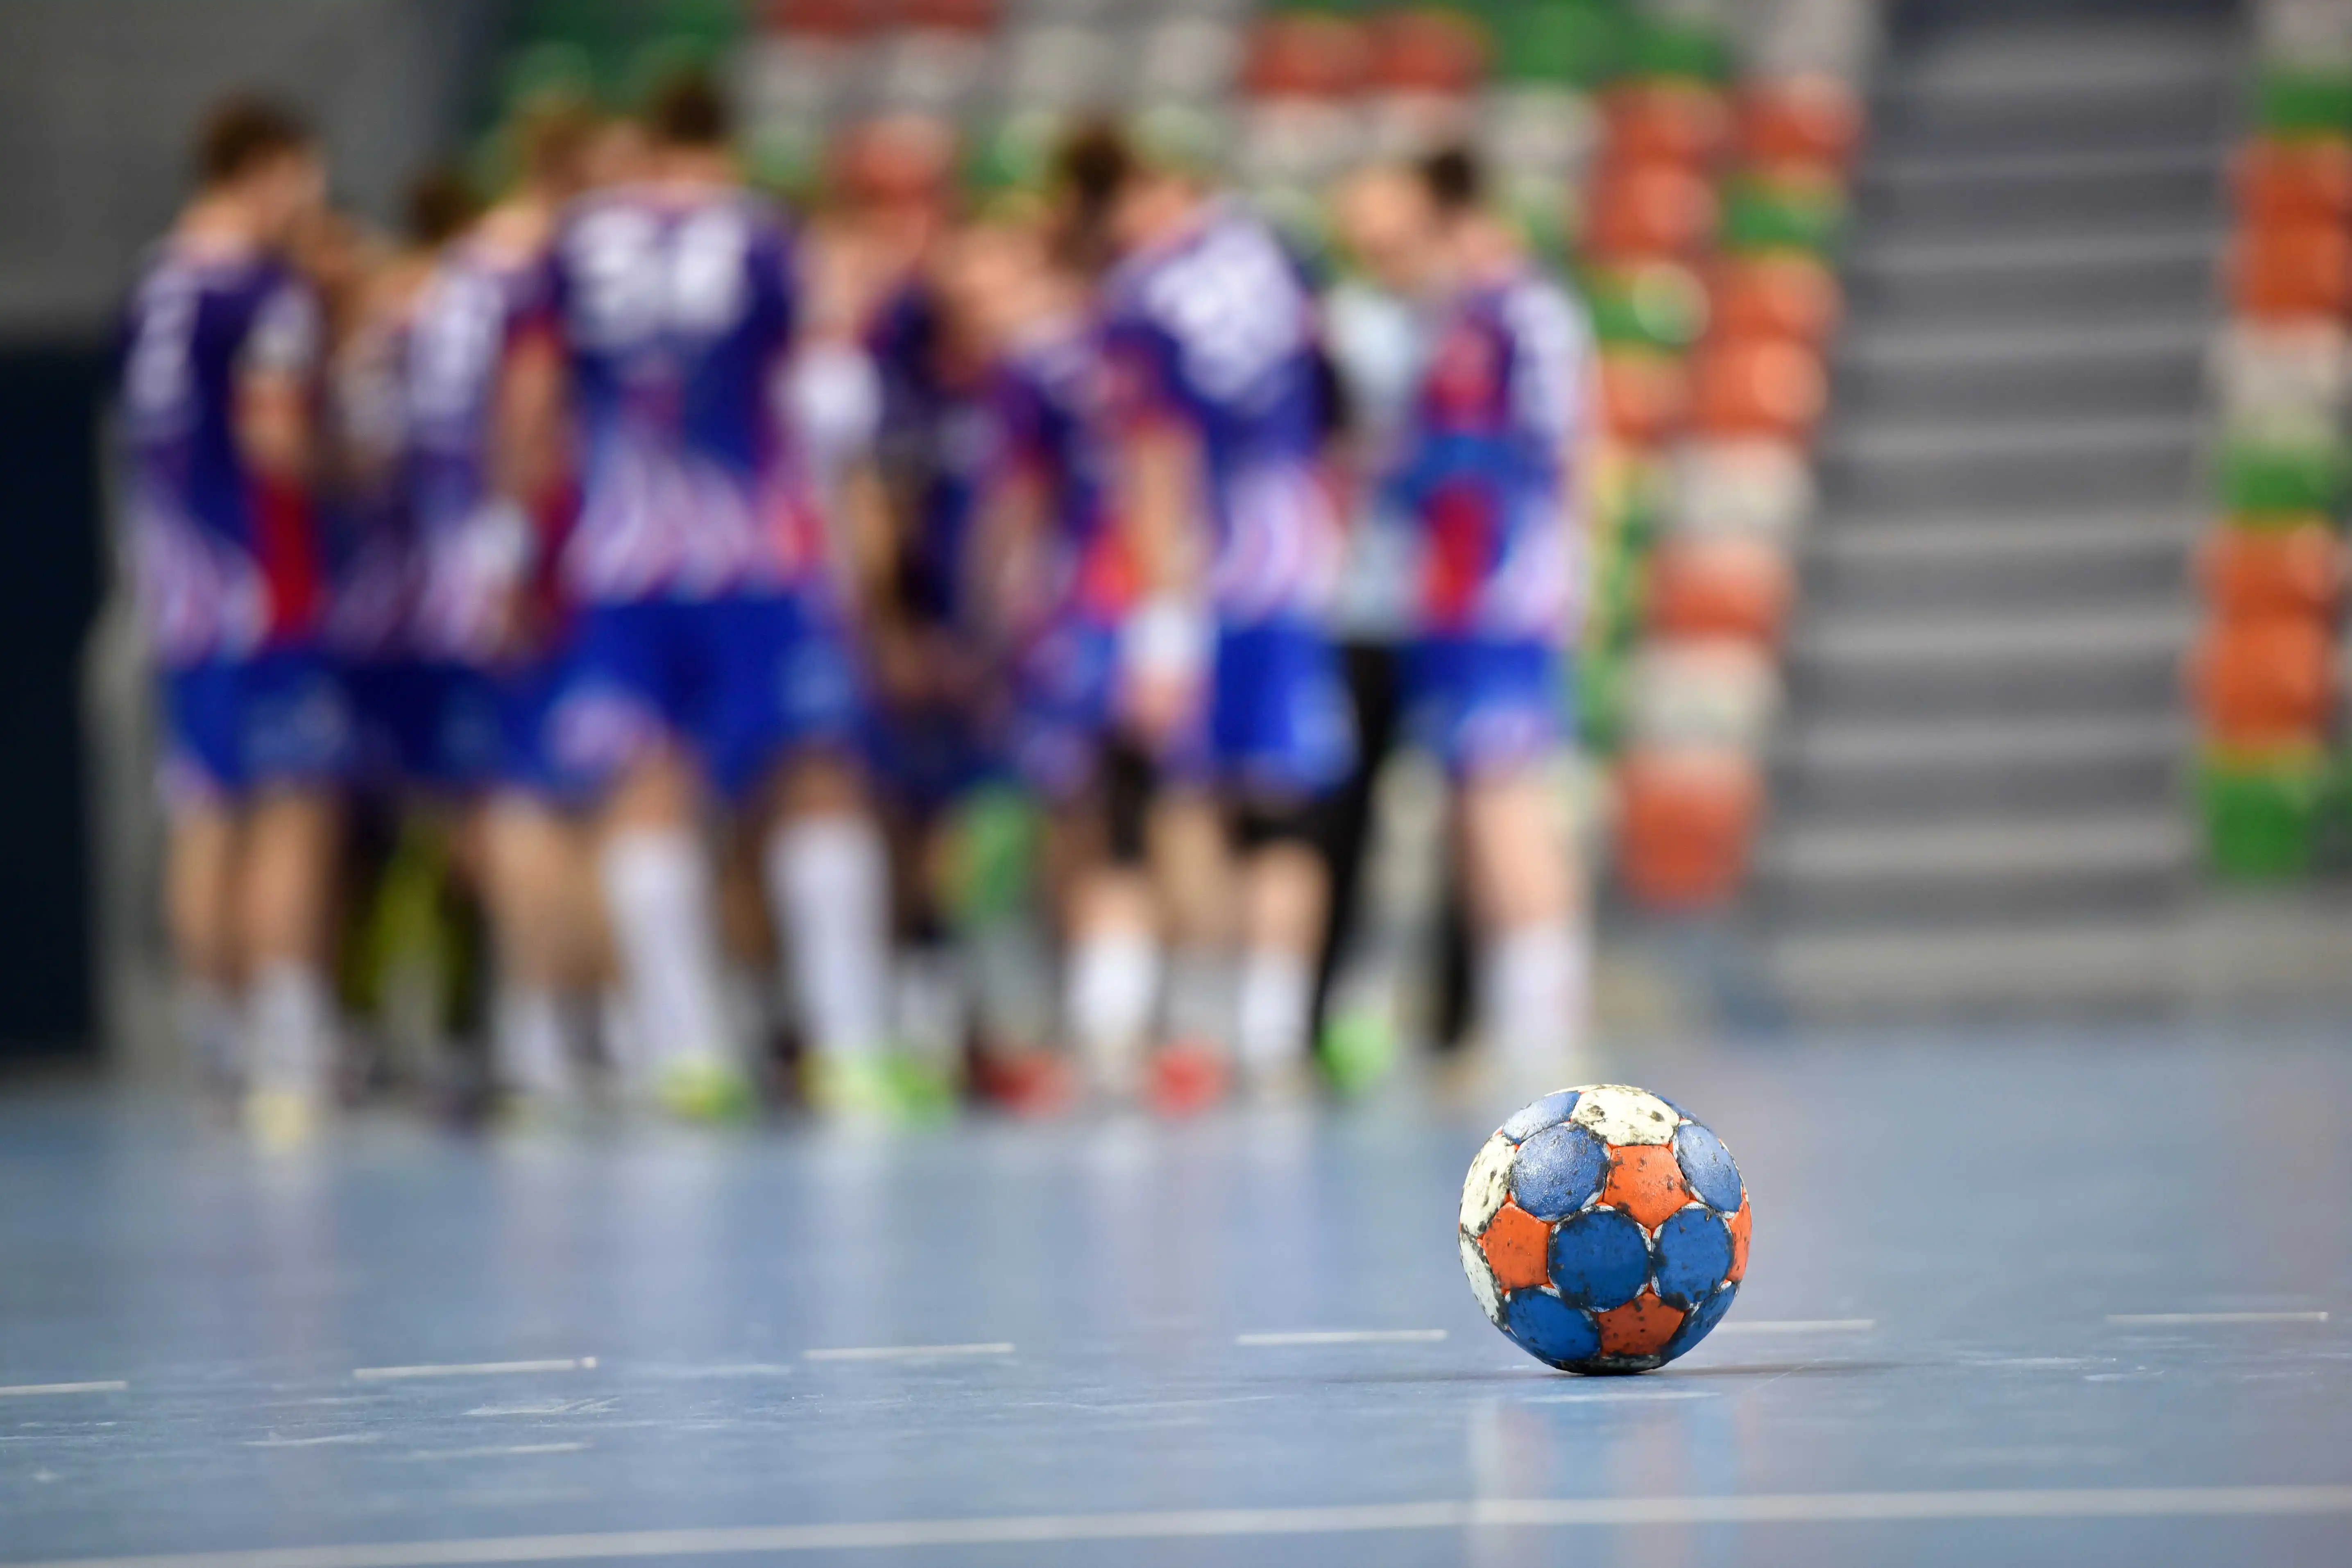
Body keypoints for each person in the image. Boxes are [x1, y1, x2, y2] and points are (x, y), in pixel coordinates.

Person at [538, 71, 899, 1120]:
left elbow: (529, 404)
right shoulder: (762, 237)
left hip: (621, 557)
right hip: (751, 556)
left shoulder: (577, 243)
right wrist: (855, 547)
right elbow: (832, 403)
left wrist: (515, 546)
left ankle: (684, 1054)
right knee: (815, 781)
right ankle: (851, 1046)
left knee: (644, 788)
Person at [1059, 123, 1356, 1104]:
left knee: (1180, 801)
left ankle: (1199, 1026)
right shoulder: (1276, 258)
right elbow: (1336, 409)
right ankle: (1272, 1039)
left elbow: (1159, 464)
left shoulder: (1144, 296)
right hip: (1292, 568)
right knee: (1284, 809)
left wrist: (1161, 629)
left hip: (1206, 579)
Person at [119, 97, 345, 1140]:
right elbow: (273, 439)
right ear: (266, 168)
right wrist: (356, 466)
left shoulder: (158, 281)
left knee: (205, 813)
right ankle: (290, 1049)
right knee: (292, 809)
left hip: (177, 590)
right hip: (260, 582)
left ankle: (213, 1048)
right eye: (306, 177)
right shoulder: (263, 288)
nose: (313, 202)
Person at [1356, 147, 1594, 1081]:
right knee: (1470, 806)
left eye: (1404, 236)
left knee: (1508, 802)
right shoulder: (1460, 319)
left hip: (1500, 594)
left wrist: (1559, 575)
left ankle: (1545, 1030)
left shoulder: (1519, 313)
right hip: (1454, 597)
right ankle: (1514, 1018)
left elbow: (1557, 451)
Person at [405, 100, 605, 1111]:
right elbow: (526, 419)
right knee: (544, 799)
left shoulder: (455, 274)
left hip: (447, 567)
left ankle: (531, 1035)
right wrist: (513, 553)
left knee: (496, 802)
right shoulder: (535, 270)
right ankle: (555, 1040)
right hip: (514, 568)